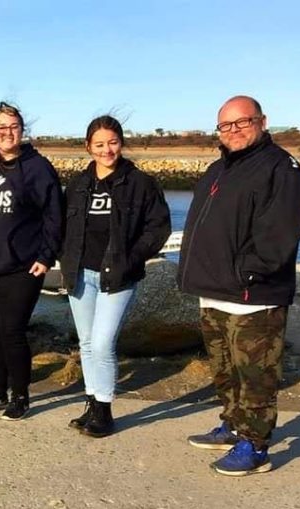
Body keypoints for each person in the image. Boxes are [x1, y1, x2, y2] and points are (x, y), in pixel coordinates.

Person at [178, 96, 300, 476]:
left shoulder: (281, 168)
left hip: (253, 295)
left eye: (241, 122)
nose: (233, 131)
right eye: (225, 125)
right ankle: (233, 425)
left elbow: (280, 234)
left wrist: (246, 272)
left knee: (256, 374)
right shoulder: (220, 168)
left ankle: (256, 445)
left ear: (262, 121)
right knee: (224, 368)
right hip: (214, 290)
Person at [59, 115, 170, 436]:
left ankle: (105, 410)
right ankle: (92, 403)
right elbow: (64, 227)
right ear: (88, 147)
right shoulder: (79, 185)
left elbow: (158, 227)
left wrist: (132, 258)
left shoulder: (140, 184)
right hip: (81, 274)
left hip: (118, 276)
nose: (107, 150)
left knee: (104, 342)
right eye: (99, 144)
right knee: (87, 343)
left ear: (121, 142)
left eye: (112, 142)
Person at [0, 102, 63, 421]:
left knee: (13, 332)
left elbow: (54, 215)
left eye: (14, 126)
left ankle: (20, 396)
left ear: (22, 130)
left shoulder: (37, 167)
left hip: (21, 267)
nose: (8, 133)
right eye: (1, 128)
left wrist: (47, 257)